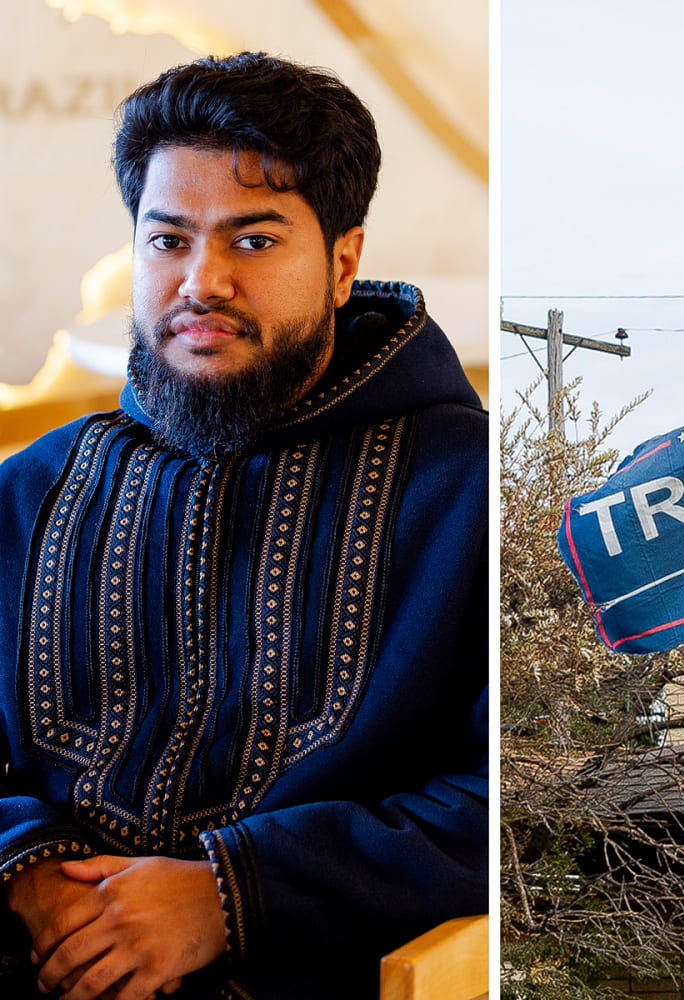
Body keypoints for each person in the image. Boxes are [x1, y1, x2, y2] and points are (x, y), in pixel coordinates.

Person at [0, 53, 487, 999]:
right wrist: (32, 874)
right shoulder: (30, 491)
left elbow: (508, 792)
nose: (201, 281)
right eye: (168, 240)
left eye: (253, 242)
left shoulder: (467, 494)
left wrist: (230, 895)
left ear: (343, 262)